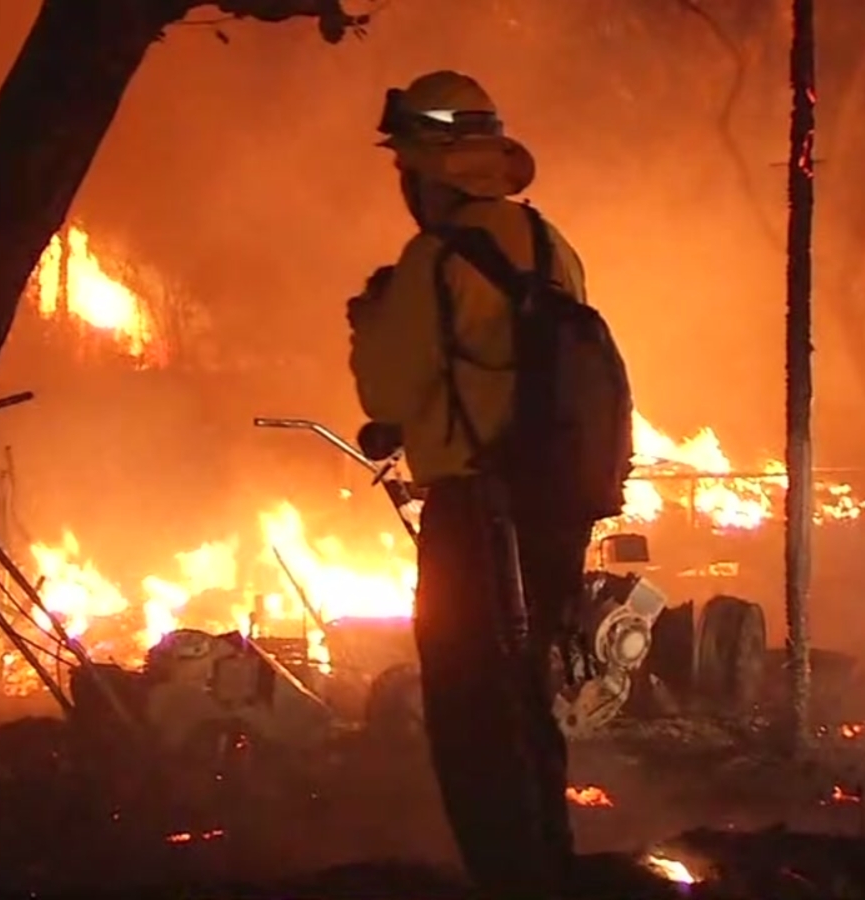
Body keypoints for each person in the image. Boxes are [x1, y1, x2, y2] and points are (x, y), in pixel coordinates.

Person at [346, 70, 597, 896]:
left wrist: (371, 321)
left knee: (470, 713)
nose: (404, 184)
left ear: (432, 169)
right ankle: (549, 866)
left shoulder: (435, 260)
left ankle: (508, 880)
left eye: (406, 166)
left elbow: (387, 392)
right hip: (554, 511)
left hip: (474, 511)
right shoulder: (553, 245)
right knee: (527, 699)